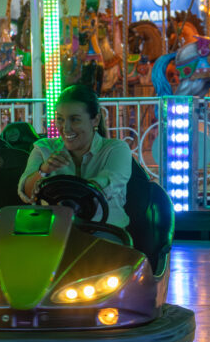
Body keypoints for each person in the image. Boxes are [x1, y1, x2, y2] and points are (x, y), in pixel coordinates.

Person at [18, 84, 132, 234]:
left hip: (104, 232)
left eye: (75, 120)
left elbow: (107, 182)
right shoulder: (43, 148)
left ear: (95, 120)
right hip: (55, 233)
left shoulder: (116, 149)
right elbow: (26, 192)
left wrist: (78, 190)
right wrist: (44, 170)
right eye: (60, 119)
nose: (66, 128)